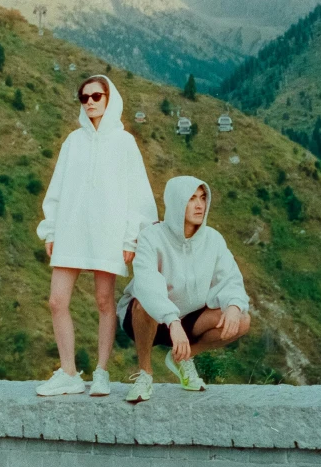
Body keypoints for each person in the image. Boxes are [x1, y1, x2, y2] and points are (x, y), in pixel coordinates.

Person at [36, 75, 157, 397]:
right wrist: (51, 230)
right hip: (71, 231)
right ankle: (69, 373)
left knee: (104, 301)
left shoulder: (124, 142)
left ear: (109, 98)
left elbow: (138, 195)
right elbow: (57, 189)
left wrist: (131, 238)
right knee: (56, 300)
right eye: (84, 96)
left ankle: (101, 372)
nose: (90, 101)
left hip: (108, 232)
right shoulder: (73, 142)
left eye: (96, 96)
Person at [117, 175, 250, 402]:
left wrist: (234, 306)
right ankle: (145, 375)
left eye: (203, 198)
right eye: (191, 199)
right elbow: (147, 285)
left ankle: (182, 358)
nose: (200, 205)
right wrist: (172, 320)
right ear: (178, 202)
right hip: (149, 318)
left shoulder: (213, 239)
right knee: (143, 304)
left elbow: (231, 279)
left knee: (242, 319)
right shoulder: (152, 236)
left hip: (188, 318)